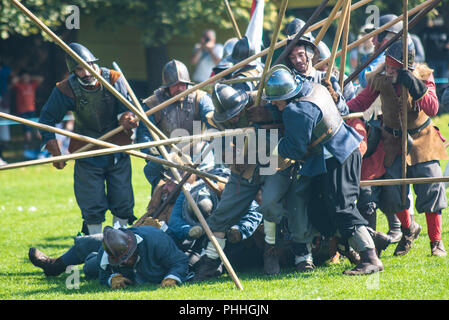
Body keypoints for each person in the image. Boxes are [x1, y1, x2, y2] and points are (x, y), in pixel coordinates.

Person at [263, 65, 384, 276]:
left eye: (276, 100)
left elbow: (295, 148)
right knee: (320, 209)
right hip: (344, 150)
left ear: (287, 95)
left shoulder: (295, 111)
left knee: (341, 208)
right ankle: (371, 238)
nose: (274, 104)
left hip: (337, 156)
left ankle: (370, 258)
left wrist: (272, 145)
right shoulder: (313, 87)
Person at [346, 37, 448, 257]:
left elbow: (432, 108)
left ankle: (436, 242)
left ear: (406, 65)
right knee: (393, 193)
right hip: (392, 142)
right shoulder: (379, 78)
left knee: (431, 189)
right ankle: (408, 229)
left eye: (395, 66)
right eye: (389, 65)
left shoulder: (423, 75)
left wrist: (413, 83)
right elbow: (360, 103)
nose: (391, 70)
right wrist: (338, 108)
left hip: (422, 140)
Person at [38, 43, 139, 235]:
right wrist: (55, 151)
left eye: (89, 66)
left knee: (123, 200)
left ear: (95, 63)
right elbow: (46, 119)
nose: (86, 72)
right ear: (74, 71)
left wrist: (128, 118)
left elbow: (128, 108)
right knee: (91, 202)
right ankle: (94, 243)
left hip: (116, 147)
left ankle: (122, 242)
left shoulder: (115, 79)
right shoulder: (66, 88)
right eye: (80, 69)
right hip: (87, 151)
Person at [137, 59, 215, 192]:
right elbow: (144, 136)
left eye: (182, 85)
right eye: (175, 85)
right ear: (167, 86)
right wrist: (161, 158)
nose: (179, 88)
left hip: (197, 158)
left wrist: (212, 119)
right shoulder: (153, 104)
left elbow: (212, 118)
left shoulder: (200, 98)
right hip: (167, 159)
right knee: (152, 174)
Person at [28, 225, 190, 289]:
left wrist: (172, 277)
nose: (125, 261)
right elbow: (105, 273)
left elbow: (180, 261)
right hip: (115, 240)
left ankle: (89, 258)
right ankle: (53, 265)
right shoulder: (108, 253)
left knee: (89, 268)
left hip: (148, 232)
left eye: (127, 256)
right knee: (87, 245)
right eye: (122, 259)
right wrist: (112, 277)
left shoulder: (157, 241)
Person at [283, 21, 349, 116]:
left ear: (310, 53)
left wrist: (334, 98)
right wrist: (268, 113)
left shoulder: (328, 78)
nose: (297, 60)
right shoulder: (288, 81)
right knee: (264, 131)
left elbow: (345, 111)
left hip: (325, 129)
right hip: (298, 129)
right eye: (293, 57)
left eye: (301, 55)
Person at [358, 14, 403, 88]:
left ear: (387, 38)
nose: (372, 40)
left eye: (376, 36)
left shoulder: (387, 57)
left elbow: (365, 81)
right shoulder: (375, 55)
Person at [11, 71, 44, 159]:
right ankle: (27, 149)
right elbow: (13, 81)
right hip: (23, 112)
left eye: (27, 77)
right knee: (27, 132)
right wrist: (21, 78)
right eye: (24, 77)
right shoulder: (19, 85)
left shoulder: (32, 84)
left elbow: (41, 79)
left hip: (32, 111)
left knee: (37, 131)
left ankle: (42, 149)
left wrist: (30, 77)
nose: (26, 79)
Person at [0, 59, 12, 165]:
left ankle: (4, 145)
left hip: (3, 98)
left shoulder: (5, 71)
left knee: (4, 124)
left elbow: (12, 78)